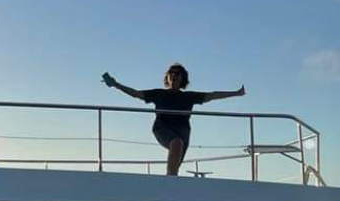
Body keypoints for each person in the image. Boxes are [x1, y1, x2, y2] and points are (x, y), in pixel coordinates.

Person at [101, 64, 245, 176]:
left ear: (182, 78)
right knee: (176, 143)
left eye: (177, 73)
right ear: (167, 78)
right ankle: (170, 182)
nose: (174, 75)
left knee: (176, 161)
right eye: (171, 73)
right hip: (162, 128)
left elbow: (212, 95)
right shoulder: (158, 94)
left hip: (183, 131)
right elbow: (136, 93)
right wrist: (115, 84)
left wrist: (236, 93)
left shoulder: (189, 97)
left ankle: (172, 181)